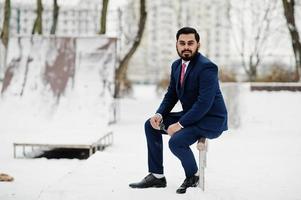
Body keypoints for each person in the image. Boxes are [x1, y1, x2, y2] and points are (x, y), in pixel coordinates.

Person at [129, 27, 228, 194]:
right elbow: (171, 95)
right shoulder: (176, 66)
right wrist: (159, 114)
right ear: (176, 44)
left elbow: (204, 103)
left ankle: (193, 176)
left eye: (190, 43)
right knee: (150, 125)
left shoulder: (207, 68)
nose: (186, 47)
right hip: (192, 115)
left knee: (176, 142)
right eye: (182, 43)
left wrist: (180, 124)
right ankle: (157, 176)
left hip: (210, 119)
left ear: (198, 44)